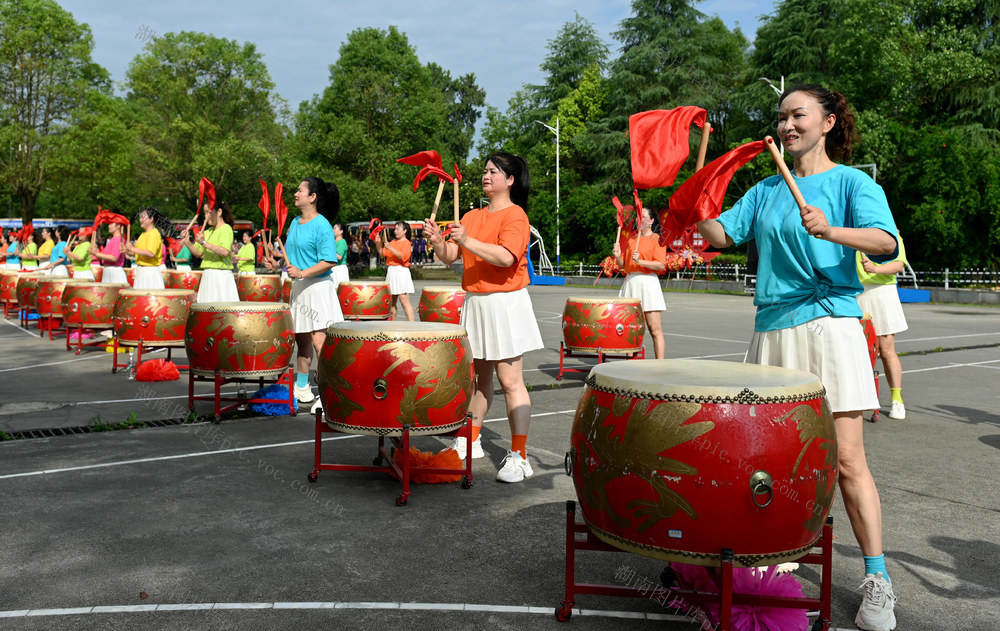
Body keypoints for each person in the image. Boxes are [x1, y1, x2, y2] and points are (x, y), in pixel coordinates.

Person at [697, 84, 900, 631]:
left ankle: (878, 581)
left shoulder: (852, 182)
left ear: (828, 122)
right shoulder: (765, 190)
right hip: (772, 332)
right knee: (772, 459)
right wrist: (697, 211)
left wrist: (831, 230)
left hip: (831, 328)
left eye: (798, 115)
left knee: (847, 460)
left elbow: (887, 244)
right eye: (782, 117)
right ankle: (779, 552)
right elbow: (720, 234)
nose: (787, 126)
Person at [423, 151, 543, 483]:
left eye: (494, 171)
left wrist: (468, 240)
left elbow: (506, 258)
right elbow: (451, 257)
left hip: (505, 302)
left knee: (510, 381)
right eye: (485, 171)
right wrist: (437, 242)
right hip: (475, 301)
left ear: (510, 179)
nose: (486, 175)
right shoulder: (472, 215)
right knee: (479, 380)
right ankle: (470, 439)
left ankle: (520, 454)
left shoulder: (516, 216)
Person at [264, 177, 344, 406]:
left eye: (300, 190)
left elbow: (329, 260)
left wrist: (302, 273)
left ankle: (328, 392)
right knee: (302, 341)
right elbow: (290, 259)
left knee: (320, 341)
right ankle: (302, 387)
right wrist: (277, 265)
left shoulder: (322, 224)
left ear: (312, 197)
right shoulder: (294, 223)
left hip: (318, 287)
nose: (296, 194)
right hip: (299, 288)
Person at [857, 234, 909, 420]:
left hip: (882, 293)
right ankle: (858, 398)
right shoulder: (849, 229)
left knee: (887, 350)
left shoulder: (890, 234)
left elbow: (899, 264)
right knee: (857, 352)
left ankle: (897, 399)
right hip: (855, 292)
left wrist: (876, 268)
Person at [613, 206, 667, 358]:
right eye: (638, 217)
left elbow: (661, 264)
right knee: (632, 329)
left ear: (651, 221)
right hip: (631, 283)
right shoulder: (631, 240)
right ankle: (631, 365)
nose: (640, 220)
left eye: (643, 217)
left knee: (654, 328)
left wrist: (641, 261)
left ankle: (660, 364)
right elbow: (624, 266)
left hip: (648, 283)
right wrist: (618, 256)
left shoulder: (658, 239)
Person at [180, 201, 239, 302]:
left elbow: (225, 251)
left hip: (221, 277)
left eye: (208, 212)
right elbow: (199, 253)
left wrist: (204, 242)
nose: (206, 216)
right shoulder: (207, 232)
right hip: (208, 276)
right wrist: (187, 242)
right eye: (205, 213)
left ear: (219, 212)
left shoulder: (226, 229)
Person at [376, 221, 415, 321]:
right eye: (395, 229)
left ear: (405, 231)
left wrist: (390, 247)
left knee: (404, 300)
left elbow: (403, 257)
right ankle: (392, 324)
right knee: (391, 303)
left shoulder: (406, 243)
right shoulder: (393, 242)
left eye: (398, 229)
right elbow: (382, 253)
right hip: (392, 271)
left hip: (401, 271)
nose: (396, 231)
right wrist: (378, 243)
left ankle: (413, 325)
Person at [124, 208, 165, 290]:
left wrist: (132, 248)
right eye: (140, 217)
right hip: (141, 270)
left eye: (143, 217)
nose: (140, 220)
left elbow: (150, 253)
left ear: (151, 219)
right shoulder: (142, 234)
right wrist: (126, 251)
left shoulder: (154, 233)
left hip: (150, 272)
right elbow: (138, 253)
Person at [92, 220, 127, 284]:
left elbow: (114, 258)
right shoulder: (112, 239)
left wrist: (97, 254)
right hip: (108, 271)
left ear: (118, 226)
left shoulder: (119, 239)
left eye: (111, 224)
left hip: (115, 272)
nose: (108, 226)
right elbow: (104, 255)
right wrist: (94, 252)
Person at [332, 222, 351, 288]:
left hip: (339, 269)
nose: (333, 230)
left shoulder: (342, 242)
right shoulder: (333, 241)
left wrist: (328, 251)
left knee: (339, 290)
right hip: (333, 268)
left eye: (335, 228)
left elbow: (339, 257)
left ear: (341, 231)